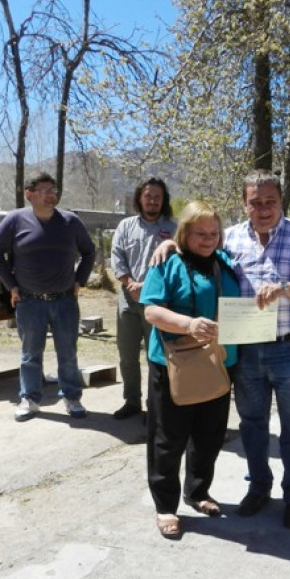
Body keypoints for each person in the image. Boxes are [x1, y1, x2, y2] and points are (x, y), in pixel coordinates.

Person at [150, 169, 290, 529]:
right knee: (252, 424)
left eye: (270, 201)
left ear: (281, 202)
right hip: (244, 350)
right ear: (245, 204)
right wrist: (169, 244)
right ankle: (258, 488)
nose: (263, 209)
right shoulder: (228, 239)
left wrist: (284, 289)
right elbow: (196, 247)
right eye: (255, 202)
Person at [140, 200, 240, 539]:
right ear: (185, 233)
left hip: (218, 365)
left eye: (214, 233)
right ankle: (165, 505)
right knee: (168, 439)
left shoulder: (225, 263)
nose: (208, 239)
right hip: (173, 365)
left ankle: (197, 492)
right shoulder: (166, 261)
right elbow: (152, 312)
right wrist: (188, 323)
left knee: (209, 437)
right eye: (200, 233)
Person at [0, 172, 95, 422]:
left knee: (67, 352)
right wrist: (11, 285)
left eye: (54, 189)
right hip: (29, 300)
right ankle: (30, 399)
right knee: (30, 355)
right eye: (45, 190)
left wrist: (79, 281)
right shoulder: (15, 220)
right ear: (30, 194)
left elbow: (89, 252)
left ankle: (72, 397)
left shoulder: (70, 221)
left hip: (65, 300)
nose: (51, 194)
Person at [111, 178, 177, 420]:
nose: (152, 200)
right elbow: (117, 257)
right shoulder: (125, 226)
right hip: (127, 299)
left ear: (164, 200)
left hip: (158, 302)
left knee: (155, 356)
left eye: (157, 197)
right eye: (148, 196)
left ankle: (155, 406)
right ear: (140, 198)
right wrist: (129, 283)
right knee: (127, 355)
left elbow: (175, 264)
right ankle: (131, 401)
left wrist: (147, 287)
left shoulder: (173, 229)